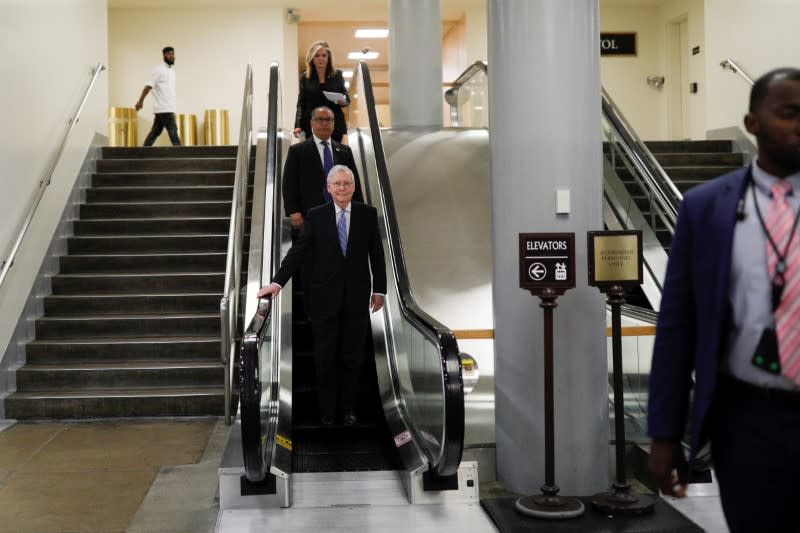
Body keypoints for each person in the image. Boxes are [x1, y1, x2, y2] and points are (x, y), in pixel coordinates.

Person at [647, 67, 800, 532]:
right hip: (747, 418)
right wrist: (665, 433)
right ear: (752, 123)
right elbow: (678, 326)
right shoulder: (706, 207)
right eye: (789, 113)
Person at [258, 165, 386, 426]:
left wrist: (379, 289)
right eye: (336, 184)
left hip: (356, 298)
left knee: (352, 357)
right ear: (328, 188)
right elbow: (298, 251)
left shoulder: (367, 215)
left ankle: (348, 408)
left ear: (353, 187)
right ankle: (327, 411)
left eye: (346, 184)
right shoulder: (315, 216)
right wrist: (277, 283)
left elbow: (377, 255)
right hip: (322, 299)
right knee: (325, 357)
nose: (342, 188)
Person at [283, 106, 363, 233]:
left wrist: (359, 210)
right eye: (320, 119)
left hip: (341, 214)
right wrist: (294, 212)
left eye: (328, 120)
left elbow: (354, 183)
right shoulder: (297, 151)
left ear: (333, 123)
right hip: (308, 215)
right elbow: (289, 183)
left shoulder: (344, 151)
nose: (324, 123)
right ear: (312, 123)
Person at [294, 40, 350, 143]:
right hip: (312, 124)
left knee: (334, 155)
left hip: (334, 124)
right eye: (317, 56)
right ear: (312, 58)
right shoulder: (305, 78)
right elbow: (301, 103)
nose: (321, 58)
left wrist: (343, 101)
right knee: (314, 156)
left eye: (324, 55)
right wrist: (298, 125)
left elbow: (346, 97)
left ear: (328, 58)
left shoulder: (337, 75)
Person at [135, 46, 181, 146]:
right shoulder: (159, 69)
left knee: (156, 131)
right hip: (164, 107)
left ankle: (144, 150)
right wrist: (140, 100)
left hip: (168, 107)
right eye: (169, 54)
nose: (172, 56)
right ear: (164, 55)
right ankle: (181, 154)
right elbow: (148, 85)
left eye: (173, 54)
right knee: (173, 130)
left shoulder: (172, 72)